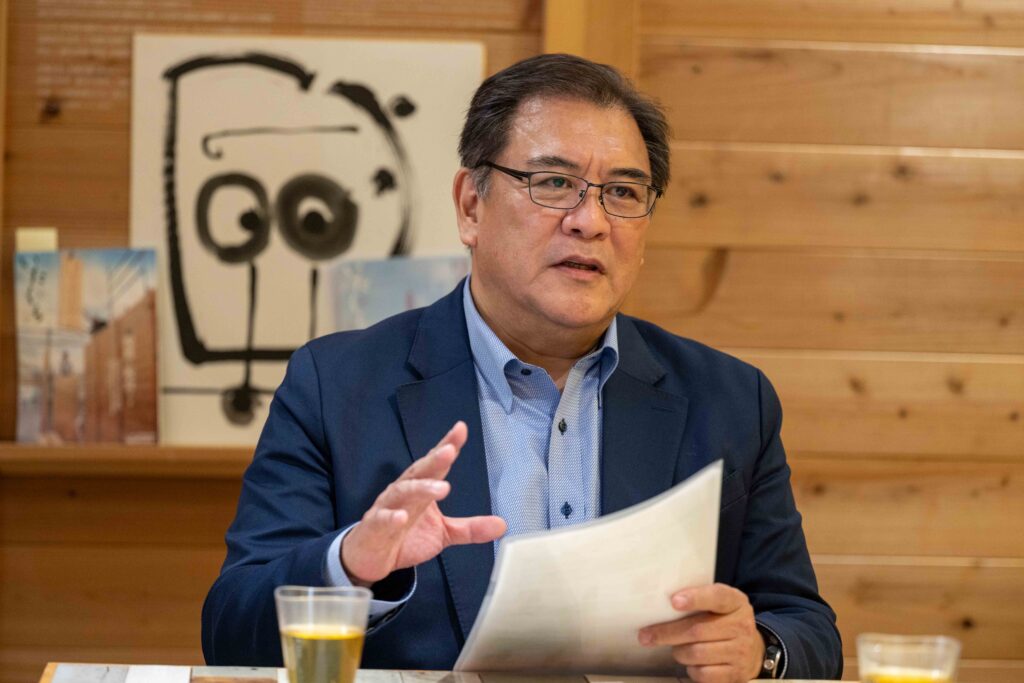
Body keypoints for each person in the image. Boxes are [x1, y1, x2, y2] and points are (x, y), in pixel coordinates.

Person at [202, 53, 842, 682]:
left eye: (623, 193)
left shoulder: (729, 399)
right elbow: (230, 629)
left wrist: (759, 650)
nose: (590, 222)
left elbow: (807, 629)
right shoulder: (337, 383)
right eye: (554, 183)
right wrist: (351, 567)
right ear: (470, 206)